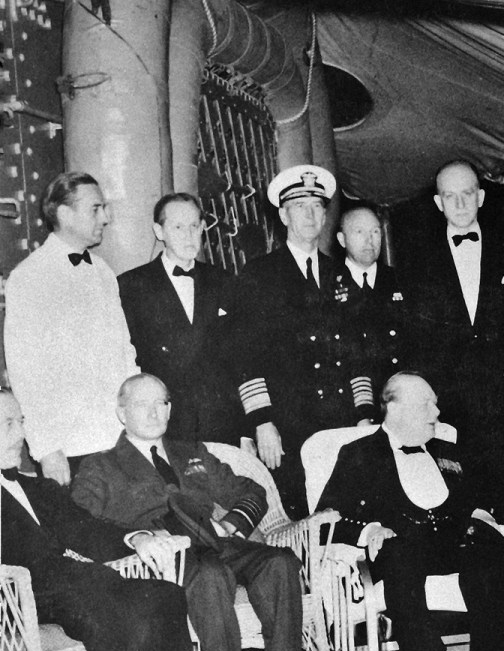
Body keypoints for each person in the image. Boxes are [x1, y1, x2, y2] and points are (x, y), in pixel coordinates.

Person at [72, 374, 310, 651]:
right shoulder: (101, 466)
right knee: (212, 573)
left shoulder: (192, 452)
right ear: (122, 413)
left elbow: (251, 491)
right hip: (162, 556)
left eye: (161, 403)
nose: (154, 412)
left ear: (170, 410)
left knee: (280, 561)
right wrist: (138, 538)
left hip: (214, 540)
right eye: (142, 404)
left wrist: (230, 525)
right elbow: (82, 523)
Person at [316, 372, 504, 651]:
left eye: (435, 404)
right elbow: (323, 521)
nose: (437, 413)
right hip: (404, 548)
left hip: (456, 543)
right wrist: (369, 530)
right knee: (398, 554)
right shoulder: (358, 454)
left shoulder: (449, 450)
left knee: (487, 544)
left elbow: (493, 499)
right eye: (426, 404)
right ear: (394, 408)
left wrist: (483, 514)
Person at [0, 390, 196, 651]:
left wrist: (138, 538)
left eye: (21, 421)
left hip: (82, 586)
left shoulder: (38, 489)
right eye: (8, 424)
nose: (21, 434)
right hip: (17, 599)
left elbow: (86, 530)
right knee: (106, 613)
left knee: (165, 596)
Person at [227, 164, 375, 517]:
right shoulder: (259, 275)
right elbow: (245, 355)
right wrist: (262, 421)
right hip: (290, 424)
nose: (310, 215)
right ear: (283, 215)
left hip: (340, 420)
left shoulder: (341, 273)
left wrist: (365, 413)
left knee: (350, 514)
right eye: (299, 206)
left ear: (325, 215)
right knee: (302, 521)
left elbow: (358, 352)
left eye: (317, 206)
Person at [404, 160, 504, 512]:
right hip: (449, 397)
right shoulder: (418, 259)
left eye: (467, 194)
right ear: (438, 203)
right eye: (449, 196)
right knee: (459, 500)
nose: (459, 204)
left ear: (481, 197)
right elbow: (417, 334)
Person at [3, 171, 139, 484]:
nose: (106, 217)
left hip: (119, 438)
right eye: (96, 208)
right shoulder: (29, 276)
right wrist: (47, 449)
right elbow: (25, 371)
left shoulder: (103, 271)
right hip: (70, 447)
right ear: (65, 214)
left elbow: (125, 351)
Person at [118, 192, 242, 443]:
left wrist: (245, 431)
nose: (189, 234)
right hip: (165, 426)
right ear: (159, 231)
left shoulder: (223, 281)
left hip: (221, 423)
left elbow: (239, 359)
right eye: (178, 227)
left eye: (194, 226)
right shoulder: (131, 286)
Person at [337, 206, 413, 401]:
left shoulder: (400, 281)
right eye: (359, 231)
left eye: (375, 231)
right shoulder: (328, 285)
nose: (369, 240)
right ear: (341, 239)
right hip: (349, 398)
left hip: (397, 395)